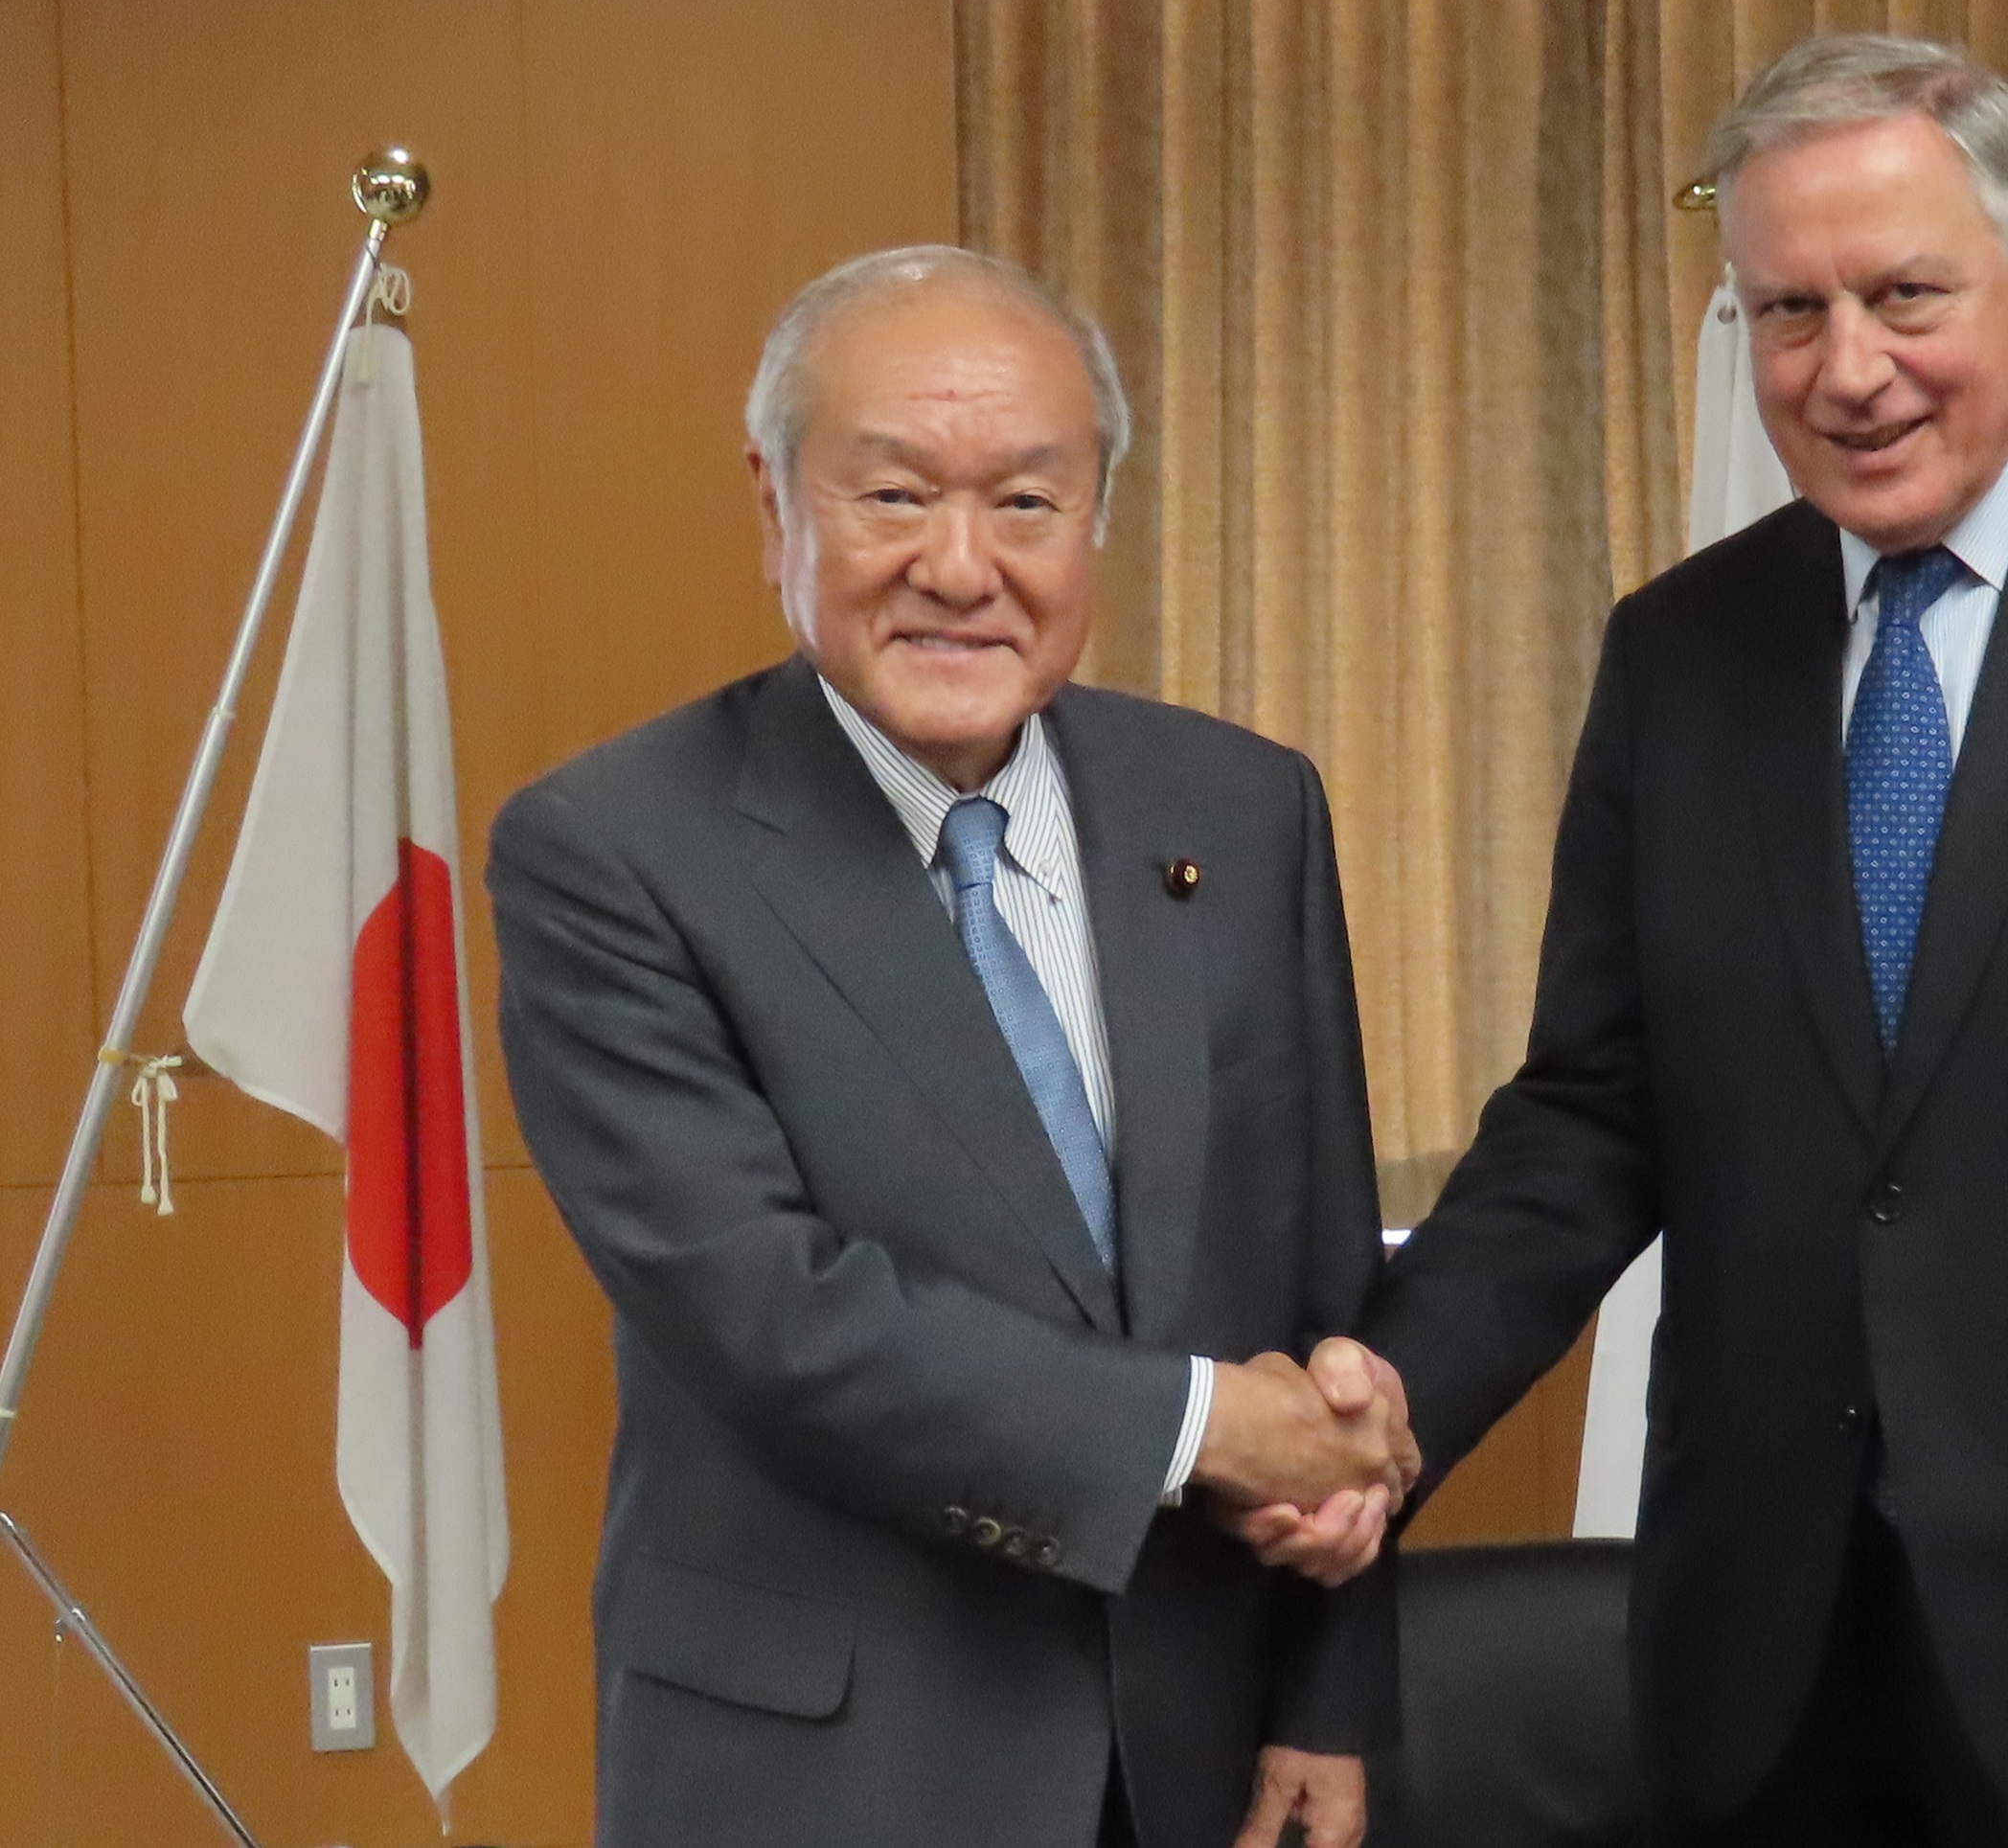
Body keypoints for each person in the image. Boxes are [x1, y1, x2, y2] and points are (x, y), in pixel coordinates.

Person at [1298, 33, 2008, 1848]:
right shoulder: (1679, 652)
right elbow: (1594, 1110)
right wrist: (1391, 1389)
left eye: (1901, 294)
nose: (1847, 371)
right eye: (1785, 313)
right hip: (1762, 1637)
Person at [488, 245, 1411, 1848]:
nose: (961, 567)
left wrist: (1329, 1694)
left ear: (1099, 520)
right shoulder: (610, 850)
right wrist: (1201, 1426)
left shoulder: (1244, 808)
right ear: (776, 507)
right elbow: (775, 1316)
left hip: (1198, 1751)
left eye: (1028, 504)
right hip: (830, 1769)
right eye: (894, 497)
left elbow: (1324, 1289)